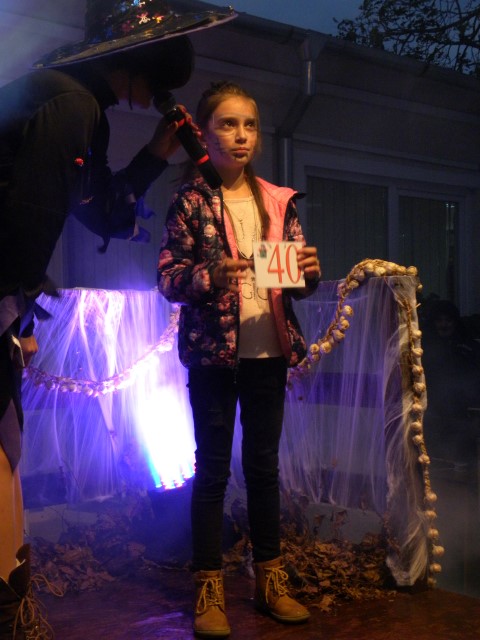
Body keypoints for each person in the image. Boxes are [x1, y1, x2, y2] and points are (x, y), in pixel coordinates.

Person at [0, 1, 235, 637]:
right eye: (155, 83)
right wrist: (15, 313)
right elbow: (27, 218)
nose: (152, 97)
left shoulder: (81, 106)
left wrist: (157, 154)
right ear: (134, 65)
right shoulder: (70, 104)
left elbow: (98, 207)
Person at [157, 81, 321, 638]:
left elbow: (293, 283)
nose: (241, 135)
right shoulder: (191, 200)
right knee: (211, 471)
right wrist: (211, 275)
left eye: (249, 124)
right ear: (205, 133)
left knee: (264, 469)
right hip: (213, 356)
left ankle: (270, 581)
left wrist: (307, 274)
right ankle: (209, 587)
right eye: (227, 124)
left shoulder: (277, 200)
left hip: (268, 352)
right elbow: (168, 278)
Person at [421, 299, 480, 466]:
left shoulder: (467, 346)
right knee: (436, 460)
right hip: (434, 409)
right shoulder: (426, 348)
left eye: (448, 320)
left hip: (463, 412)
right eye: (439, 320)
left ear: (455, 322)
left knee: (463, 460)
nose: (444, 325)